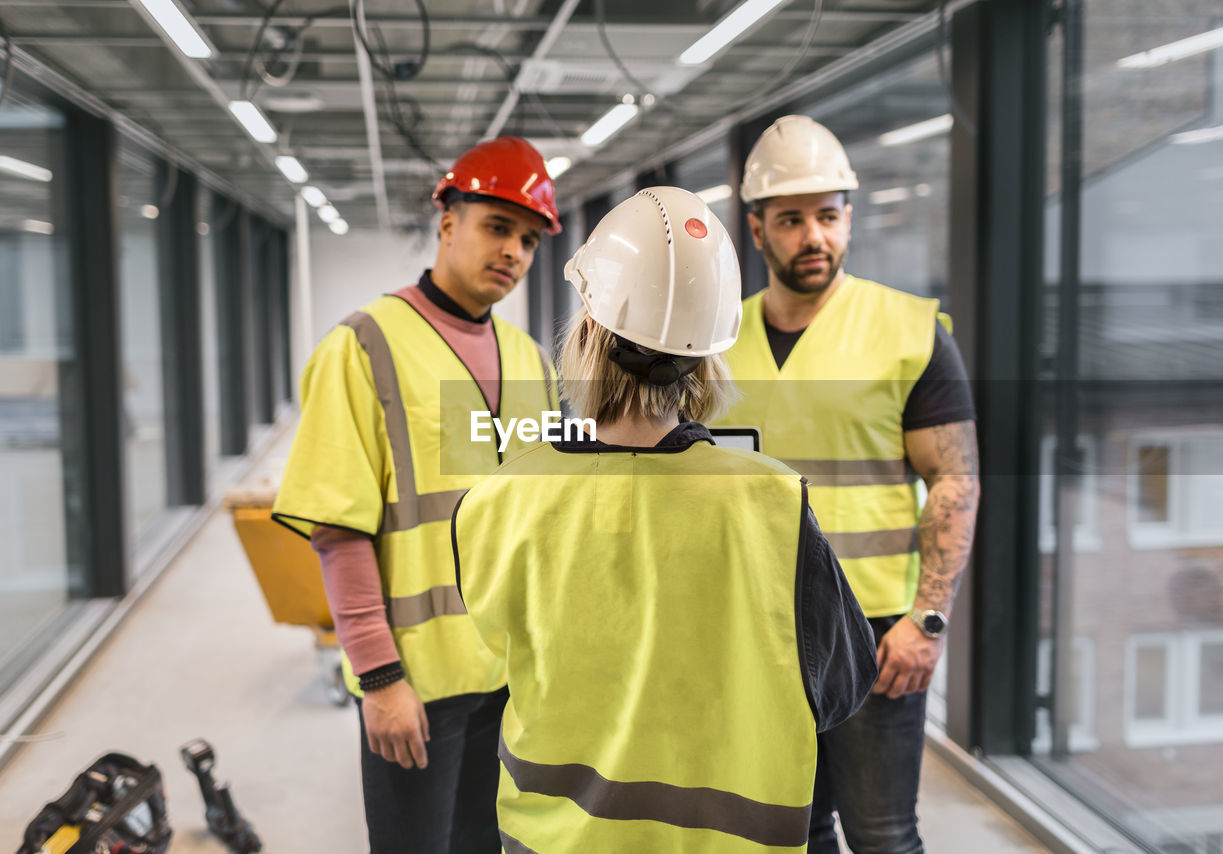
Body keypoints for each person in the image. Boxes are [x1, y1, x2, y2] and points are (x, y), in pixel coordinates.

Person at [452, 186, 878, 853]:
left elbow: (495, 647)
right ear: (707, 356)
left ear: (588, 332)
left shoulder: (501, 498)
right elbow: (843, 685)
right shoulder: (772, 501)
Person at [271, 136, 561, 854]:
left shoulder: (529, 359)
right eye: (497, 227)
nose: (514, 253)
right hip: (417, 681)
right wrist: (379, 679)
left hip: (511, 674)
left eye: (527, 239)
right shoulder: (365, 344)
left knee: (486, 843)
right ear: (448, 221)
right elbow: (339, 531)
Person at [714, 115, 981, 854]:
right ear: (758, 227)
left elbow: (955, 476)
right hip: (756, 630)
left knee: (884, 835)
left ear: (849, 219)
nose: (814, 238)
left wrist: (927, 621)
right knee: (789, 832)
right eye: (792, 219)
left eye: (828, 217)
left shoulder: (909, 331)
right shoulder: (716, 345)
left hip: (875, 634)